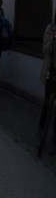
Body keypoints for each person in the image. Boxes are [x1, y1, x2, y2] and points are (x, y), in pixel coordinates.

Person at [40, 10, 56, 150]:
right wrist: (52, 40)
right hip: (51, 71)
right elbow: (45, 49)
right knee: (46, 102)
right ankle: (41, 130)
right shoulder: (50, 28)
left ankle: (53, 140)